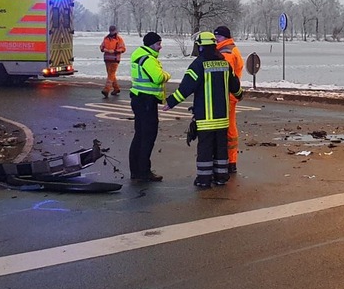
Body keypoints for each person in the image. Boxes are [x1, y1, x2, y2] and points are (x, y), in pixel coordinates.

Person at [164, 31, 241, 188]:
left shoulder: (198, 65)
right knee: (221, 148)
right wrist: (239, 96)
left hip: (206, 118)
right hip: (222, 118)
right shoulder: (224, 63)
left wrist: (170, 102)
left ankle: (204, 180)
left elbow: (185, 88)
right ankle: (221, 177)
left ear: (200, 47)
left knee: (205, 148)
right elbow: (236, 87)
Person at [128, 32, 169, 183]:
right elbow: (158, 78)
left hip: (140, 100)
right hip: (146, 102)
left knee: (139, 136)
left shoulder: (139, 55)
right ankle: (144, 171)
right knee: (147, 137)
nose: (160, 47)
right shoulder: (148, 59)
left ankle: (136, 171)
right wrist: (167, 75)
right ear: (151, 44)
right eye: (158, 44)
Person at [214, 25, 245, 174]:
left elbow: (224, 77)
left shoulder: (226, 52)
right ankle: (231, 160)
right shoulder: (232, 49)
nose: (215, 40)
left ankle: (228, 160)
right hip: (231, 95)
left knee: (226, 129)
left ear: (224, 37)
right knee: (230, 127)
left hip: (226, 96)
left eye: (217, 37)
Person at [99, 25, 127, 98]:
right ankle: (116, 88)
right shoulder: (106, 38)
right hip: (107, 59)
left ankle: (106, 90)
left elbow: (123, 49)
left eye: (113, 30)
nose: (111, 32)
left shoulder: (119, 39)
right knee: (111, 74)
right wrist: (103, 49)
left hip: (115, 59)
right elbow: (101, 46)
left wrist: (114, 51)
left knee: (110, 75)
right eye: (110, 30)